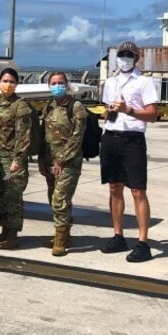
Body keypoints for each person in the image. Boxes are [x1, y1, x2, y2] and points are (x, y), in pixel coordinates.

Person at [100, 40, 159, 262]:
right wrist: (111, 113)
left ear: (136, 58)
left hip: (132, 139)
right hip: (111, 136)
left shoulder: (144, 82)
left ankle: (143, 242)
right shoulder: (110, 82)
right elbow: (107, 110)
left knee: (137, 190)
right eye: (121, 54)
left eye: (128, 54)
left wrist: (129, 110)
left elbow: (153, 115)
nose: (124, 58)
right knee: (114, 188)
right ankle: (118, 235)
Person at [38, 70, 88, 257]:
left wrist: (62, 160)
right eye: (53, 83)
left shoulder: (76, 107)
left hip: (69, 163)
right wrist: (42, 160)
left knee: (60, 200)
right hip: (50, 161)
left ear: (67, 85)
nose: (57, 86)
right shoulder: (49, 107)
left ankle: (60, 241)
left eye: (60, 82)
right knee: (54, 199)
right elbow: (45, 137)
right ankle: (64, 234)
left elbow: (77, 138)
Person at [0, 67, 32, 250]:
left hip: (13, 161)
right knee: (0, 197)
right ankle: (4, 231)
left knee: (13, 198)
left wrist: (18, 160)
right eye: (5, 81)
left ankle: (13, 234)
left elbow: (24, 136)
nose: (8, 84)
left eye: (12, 82)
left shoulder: (20, 106)